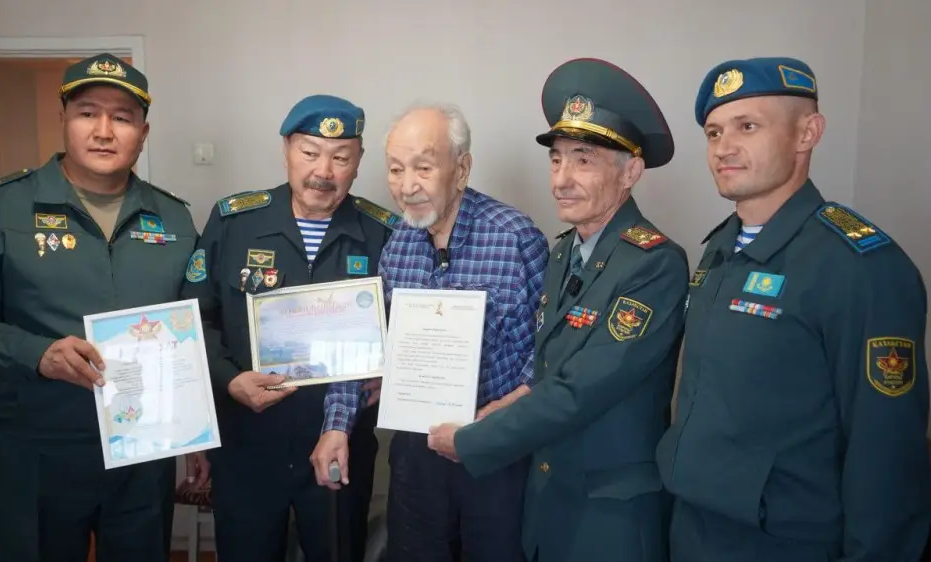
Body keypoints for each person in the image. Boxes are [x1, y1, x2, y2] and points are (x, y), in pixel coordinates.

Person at [655, 56, 931, 562]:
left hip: (782, 540)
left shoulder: (859, 266)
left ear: (808, 133)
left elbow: (886, 450)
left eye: (748, 126)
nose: (723, 147)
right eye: (714, 133)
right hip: (694, 526)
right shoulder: (719, 250)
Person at [0, 53, 198, 561]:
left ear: (143, 133)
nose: (103, 131)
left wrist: (196, 430)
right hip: (36, 450)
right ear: (63, 119)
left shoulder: (174, 219)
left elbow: (194, 328)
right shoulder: (1, 209)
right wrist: (37, 354)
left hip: (143, 452)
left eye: (122, 118)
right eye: (87, 112)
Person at [426, 59, 688, 562]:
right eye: (556, 160)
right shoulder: (565, 251)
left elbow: (580, 391)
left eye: (583, 160)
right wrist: (511, 401)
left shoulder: (654, 265)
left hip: (608, 517)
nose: (561, 180)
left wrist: (477, 440)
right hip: (550, 499)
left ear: (630, 172)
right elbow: (552, 370)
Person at [315, 102, 549, 562]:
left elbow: (547, 351)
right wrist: (338, 424)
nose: (407, 186)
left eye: (423, 167)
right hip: (417, 451)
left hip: (495, 448)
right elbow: (367, 344)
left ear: (461, 170)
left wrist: (493, 419)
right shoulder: (398, 244)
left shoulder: (515, 237)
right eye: (395, 169)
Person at [180, 93, 395, 562]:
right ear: (286, 151)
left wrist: (391, 373)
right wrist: (229, 380)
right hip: (247, 443)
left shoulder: (384, 233)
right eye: (310, 152)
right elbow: (195, 319)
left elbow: (406, 331)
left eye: (340, 158)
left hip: (340, 443)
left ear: (358, 161)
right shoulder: (235, 222)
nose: (324, 171)